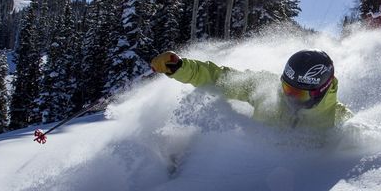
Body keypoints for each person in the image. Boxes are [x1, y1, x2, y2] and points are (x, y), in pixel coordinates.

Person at [150, 49, 352, 130]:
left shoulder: (338, 118)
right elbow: (220, 78)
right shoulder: (266, 88)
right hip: (246, 174)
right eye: (286, 87)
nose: (287, 95)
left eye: (297, 93)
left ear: (320, 91)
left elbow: (361, 143)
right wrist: (181, 68)